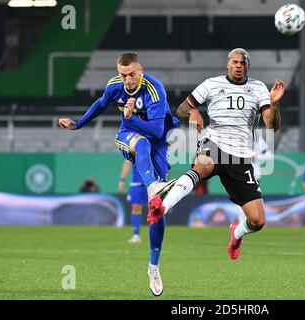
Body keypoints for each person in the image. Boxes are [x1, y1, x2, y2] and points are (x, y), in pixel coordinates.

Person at [147, 48, 286, 260]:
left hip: (240, 156)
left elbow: (272, 126)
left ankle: (237, 234)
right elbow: (181, 109)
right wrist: (193, 111)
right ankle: (161, 208)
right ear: (228, 65)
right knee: (202, 166)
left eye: (243, 63)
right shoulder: (211, 84)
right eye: (235, 62)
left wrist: (274, 104)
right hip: (214, 141)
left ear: (247, 66)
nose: (238, 65)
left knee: (258, 221)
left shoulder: (258, 88)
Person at [58, 52, 179, 296]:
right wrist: (78, 123)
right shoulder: (115, 86)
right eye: (123, 75)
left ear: (140, 70)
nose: (127, 80)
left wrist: (131, 115)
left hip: (159, 142)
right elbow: (101, 104)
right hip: (128, 137)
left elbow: (157, 131)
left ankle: (153, 267)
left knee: (158, 208)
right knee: (141, 145)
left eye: (131, 74)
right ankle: (153, 186)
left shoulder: (154, 89)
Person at [118, 159, 147, 244]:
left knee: (155, 209)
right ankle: (136, 235)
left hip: (150, 183)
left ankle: (157, 236)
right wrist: (122, 180)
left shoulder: (154, 148)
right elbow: (127, 162)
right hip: (137, 183)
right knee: (136, 209)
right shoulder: (133, 148)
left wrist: (122, 180)